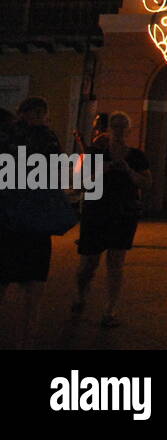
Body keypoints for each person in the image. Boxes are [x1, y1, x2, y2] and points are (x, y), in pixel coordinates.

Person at [73, 111, 151, 329]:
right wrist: (104, 169)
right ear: (110, 129)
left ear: (129, 130)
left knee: (116, 262)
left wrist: (129, 172)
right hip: (96, 211)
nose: (118, 130)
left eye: (122, 127)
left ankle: (110, 310)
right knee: (89, 263)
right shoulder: (96, 154)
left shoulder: (136, 156)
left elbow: (146, 183)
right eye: (115, 126)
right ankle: (80, 295)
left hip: (123, 213)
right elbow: (82, 181)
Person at [0, 96, 61, 348]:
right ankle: (27, 340)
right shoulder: (48, 138)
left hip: (10, 216)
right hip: (34, 218)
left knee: (4, 279)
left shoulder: (8, 136)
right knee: (34, 285)